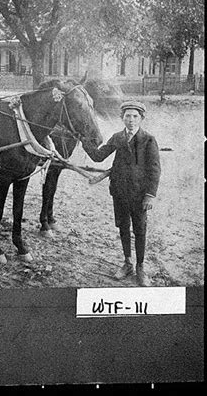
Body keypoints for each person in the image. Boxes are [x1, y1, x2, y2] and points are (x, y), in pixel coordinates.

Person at [82, 101, 161, 286]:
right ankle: (127, 263)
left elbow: (155, 169)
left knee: (140, 229)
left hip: (140, 194)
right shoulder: (117, 137)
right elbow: (98, 156)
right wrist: (83, 140)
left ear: (141, 118)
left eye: (135, 116)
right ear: (122, 118)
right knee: (123, 227)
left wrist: (150, 194)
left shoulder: (149, 139)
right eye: (127, 116)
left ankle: (140, 267)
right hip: (119, 192)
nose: (131, 120)